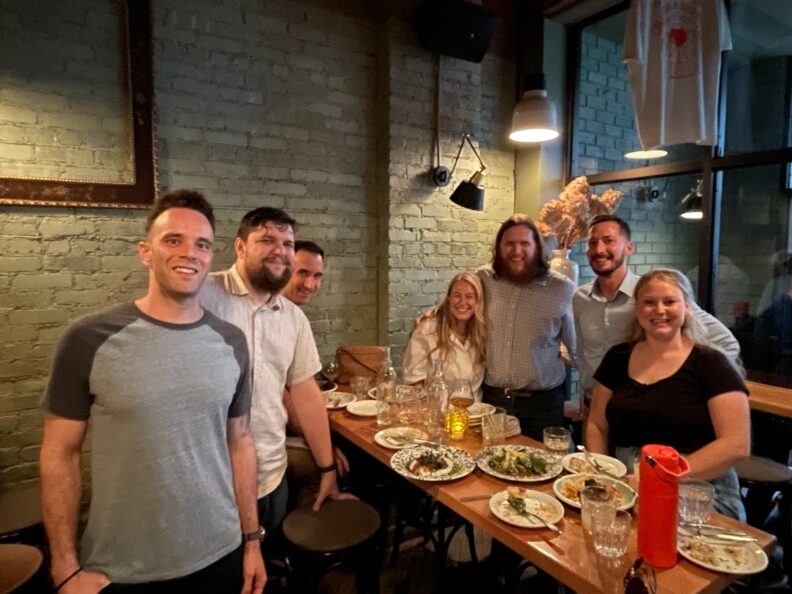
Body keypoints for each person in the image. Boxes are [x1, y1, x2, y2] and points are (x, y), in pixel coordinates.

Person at [39, 191, 265, 594]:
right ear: (146, 252)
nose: (189, 253)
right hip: (123, 568)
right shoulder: (88, 339)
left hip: (220, 554)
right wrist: (64, 566)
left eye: (202, 244)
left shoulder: (232, 342)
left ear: (212, 256)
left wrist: (251, 541)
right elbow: (59, 454)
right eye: (173, 240)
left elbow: (241, 443)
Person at [199, 207, 353, 546]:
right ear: (240, 247)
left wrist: (328, 470)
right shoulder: (204, 295)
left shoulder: (293, 318)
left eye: (286, 242)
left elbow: (306, 392)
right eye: (266, 240)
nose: (279, 250)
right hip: (215, 482)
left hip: (272, 472)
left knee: (265, 565)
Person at [586, 268, 750, 519]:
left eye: (670, 301)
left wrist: (660, 477)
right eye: (649, 302)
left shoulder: (711, 363)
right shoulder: (618, 357)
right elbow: (597, 424)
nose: (659, 310)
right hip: (627, 480)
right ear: (638, 309)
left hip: (699, 489)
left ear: (687, 307)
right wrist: (602, 472)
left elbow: (736, 445)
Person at [574, 214, 740, 412]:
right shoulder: (580, 298)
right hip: (593, 406)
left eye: (608, 241)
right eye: (593, 243)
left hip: (638, 408)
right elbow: (582, 352)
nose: (599, 249)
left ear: (628, 248)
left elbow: (726, 343)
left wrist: (694, 390)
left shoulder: (652, 295)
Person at [478, 214, 576, 441]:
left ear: (537, 247)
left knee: (543, 469)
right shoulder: (482, 279)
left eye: (524, 243)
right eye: (509, 243)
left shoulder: (562, 289)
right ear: (499, 247)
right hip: (492, 401)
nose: (516, 251)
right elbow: (457, 308)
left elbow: (576, 348)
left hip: (542, 405)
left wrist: (593, 397)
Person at [278, 240, 350, 506]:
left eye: (317, 276)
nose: (310, 284)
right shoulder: (273, 315)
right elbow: (289, 400)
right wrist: (326, 451)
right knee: (322, 463)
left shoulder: (293, 317)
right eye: (303, 273)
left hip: (283, 428)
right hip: (269, 438)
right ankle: (310, 527)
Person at [403, 271, 486, 397]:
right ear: (448, 299)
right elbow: (414, 381)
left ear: (478, 301)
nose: (462, 302)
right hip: (436, 412)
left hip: (474, 412)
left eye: (469, 296)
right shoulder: (428, 329)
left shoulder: (482, 333)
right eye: (457, 295)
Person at [281, 240, 325, 306]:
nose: (309, 286)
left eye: (316, 276)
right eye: (303, 274)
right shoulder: (262, 314)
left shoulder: (297, 315)